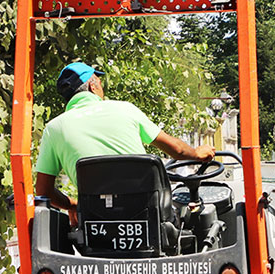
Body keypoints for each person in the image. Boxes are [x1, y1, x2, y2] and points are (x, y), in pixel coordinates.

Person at [35, 61, 214, 213]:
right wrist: (197, 153)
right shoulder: (125, 109)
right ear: (93, 85)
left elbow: (43, 191)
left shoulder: (54, 128)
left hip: (96, 227)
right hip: (149, 215)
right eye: (99, 82)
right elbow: (178, 151)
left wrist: (73, 206)